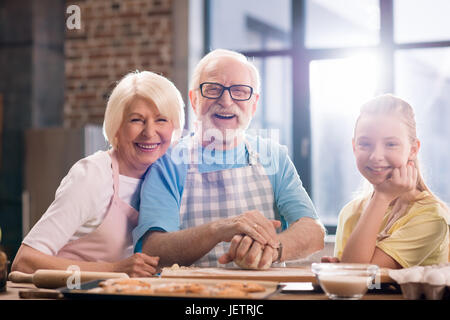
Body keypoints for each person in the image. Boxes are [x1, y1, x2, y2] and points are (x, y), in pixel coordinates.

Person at [133, 49, 325, 269]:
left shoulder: (274, 157)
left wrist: (272, 249)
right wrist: (218, 229)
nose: (226, 100)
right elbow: (153, 250)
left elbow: (313, 231)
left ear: (254, 103)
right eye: (213, 89)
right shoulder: (168, 162)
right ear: (194, 100)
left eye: (240, 91)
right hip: (193, 297)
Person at [11, 71, 185, 276]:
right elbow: (25, 261)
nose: (149, 132)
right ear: (117, 126)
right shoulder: (93, 175)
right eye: (136, 120)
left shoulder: (168, 176)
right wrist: (114, 270)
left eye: (161, 120)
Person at [323, 94, 449, 268]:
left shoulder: (432, 218)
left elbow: (357, 275)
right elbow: (348, 283)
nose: (376, 157)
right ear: (354, 147)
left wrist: (382, 197)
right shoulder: (351, 212)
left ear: (413, 150)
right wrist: (336, 269)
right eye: (365, 144)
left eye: (391, 144)